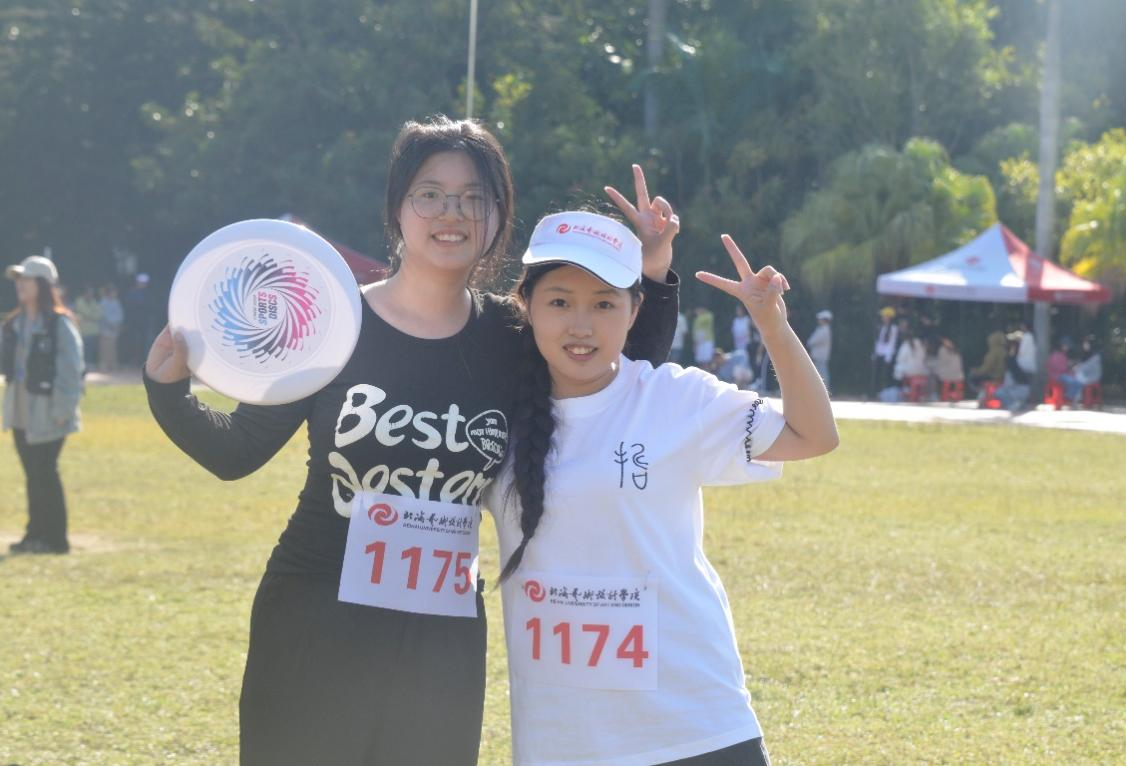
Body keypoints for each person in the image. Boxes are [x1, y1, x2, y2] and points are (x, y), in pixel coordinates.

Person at [142, 116, 680, 766]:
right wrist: (168, 390)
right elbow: (235, 452)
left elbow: (615, 368)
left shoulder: (511, 340)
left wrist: (653, 271)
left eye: (473, 197)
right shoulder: (335, 323)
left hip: (440, 640)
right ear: (397, 208)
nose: (451, 213)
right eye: (430, 194)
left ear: (498, 216)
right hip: (314, 620)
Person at [489, 211, 838, 766]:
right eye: (559, 302)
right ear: (526, 306)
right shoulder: (495, 417)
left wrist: (773, 326)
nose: (581, 325)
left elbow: (813, 435)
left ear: (635, 311)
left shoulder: (677, 398)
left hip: (693, 728)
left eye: (604, 304)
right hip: (562, 740)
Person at [2, 256, 84, 555]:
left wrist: (62, 411)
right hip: (21, 413)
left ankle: (55, 539)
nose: (20, 285)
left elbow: (71, 371)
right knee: (33, 475)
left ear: (43, 285)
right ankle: (34, 534)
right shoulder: (15, 323)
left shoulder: (59, 323)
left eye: (27, 279)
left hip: (49, 414)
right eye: (19, 280)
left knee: (45, 473)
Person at [1059, 336, 1102, 403]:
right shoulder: (1087, 354)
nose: (1084, 346)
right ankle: (1075, 398)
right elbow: (1082, 364)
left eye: (1086, 344)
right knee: (1076, 378)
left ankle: (1073, 397)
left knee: (1077, 379)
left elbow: (1087, 367)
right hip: (1085, 375)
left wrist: (1077, 368)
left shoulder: (1095, 356)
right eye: (1084, 344)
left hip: (1092, 376)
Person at [871, 306, 899, 394]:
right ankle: (875, 392)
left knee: (886, 376)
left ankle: (885, 393)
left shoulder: (894, 328)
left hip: (888, 355)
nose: (882, 318)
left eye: (884, 316)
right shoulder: (882, 327)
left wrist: (888, 356)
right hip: (880, 354)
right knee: (877, 374)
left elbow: (892, 343)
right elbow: (879, 342)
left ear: (889, 317)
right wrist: (875, 353)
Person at [73, 285, 101, 370]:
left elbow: (99, 314)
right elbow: (85, 312)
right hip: (82, 331)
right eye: (89, 293)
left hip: (93, 331)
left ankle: (90, 364)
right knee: (82, 349)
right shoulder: (79, 301)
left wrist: (89, 316)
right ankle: (82, 365)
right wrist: (92, 315)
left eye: (92, 293)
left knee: (91, 350)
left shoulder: (94, 301)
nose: (91, 294)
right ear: (85, 293)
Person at [98, 284, 123, 372]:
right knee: (105, 347)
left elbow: (120, 314)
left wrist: (116, 324)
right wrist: (111, 324)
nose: (115, 294)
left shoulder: (117, 302)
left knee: (113, 347)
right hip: (105, 328)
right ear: (109, 293)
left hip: (115, 328)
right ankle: (103, 364)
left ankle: (112, 364)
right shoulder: (103, 302)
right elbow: (103, 315)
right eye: (113, 292)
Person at [806, 309, 832, 390]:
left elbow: (812, 341)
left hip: (820, 356)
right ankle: (820, 389)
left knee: (822, 373)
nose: (819, 320)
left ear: (824, 320)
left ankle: (826, 389)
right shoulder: (822, 329)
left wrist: (809, 342)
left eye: (820, 319)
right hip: (818, 355)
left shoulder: (824, 330)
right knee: (819, 372)